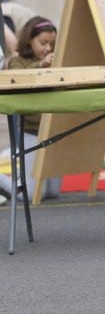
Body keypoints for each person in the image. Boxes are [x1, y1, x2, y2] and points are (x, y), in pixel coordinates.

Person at [0, 17, 62, 202]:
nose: (48, 49)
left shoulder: (54, 61)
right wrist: (40, 66)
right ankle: (4, 183)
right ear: (29, 40)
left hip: (50, 130)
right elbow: (19, 79)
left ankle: (22, 178)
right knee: (33, 194)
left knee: (52, 193)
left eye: (52, 44)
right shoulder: (18, 62)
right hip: (30, 131)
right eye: (43, 43)